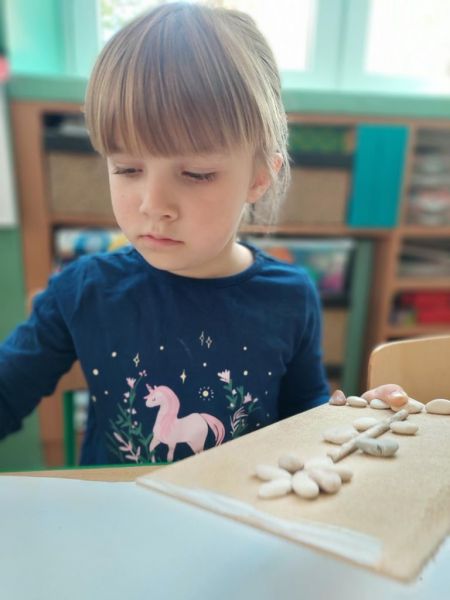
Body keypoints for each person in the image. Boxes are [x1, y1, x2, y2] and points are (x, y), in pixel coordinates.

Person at [0, 2, 405, 466]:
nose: (153, 204)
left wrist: (354, 421)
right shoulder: (82, 290)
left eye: (195, 173)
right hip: (119, 509)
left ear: (259, 177)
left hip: (243, 506)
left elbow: (304, 417)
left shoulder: (291, 296)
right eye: (127, 168)